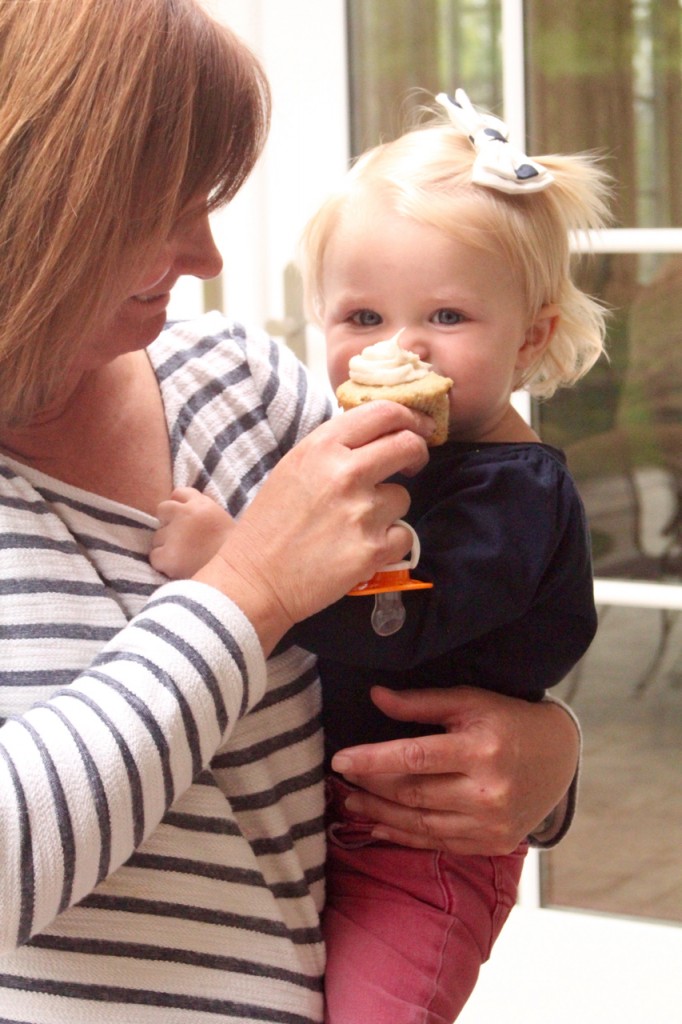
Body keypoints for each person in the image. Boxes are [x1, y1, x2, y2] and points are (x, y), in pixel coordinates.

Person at [0, 0, 582, 1016]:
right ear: (41, 197)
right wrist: (246, 590)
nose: (210, 256)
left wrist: (543, 760)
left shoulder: (248, 387)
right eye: (166, 205)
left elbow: (437, 615)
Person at [151, 88, 612, 1023]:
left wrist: (239, 556)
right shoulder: (345, 442)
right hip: (324, 828)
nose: (399, 348)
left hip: (430, 852)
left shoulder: (514, 491)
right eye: (362, 318)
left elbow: (404, 624)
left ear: (532, 338)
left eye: (446, 316)